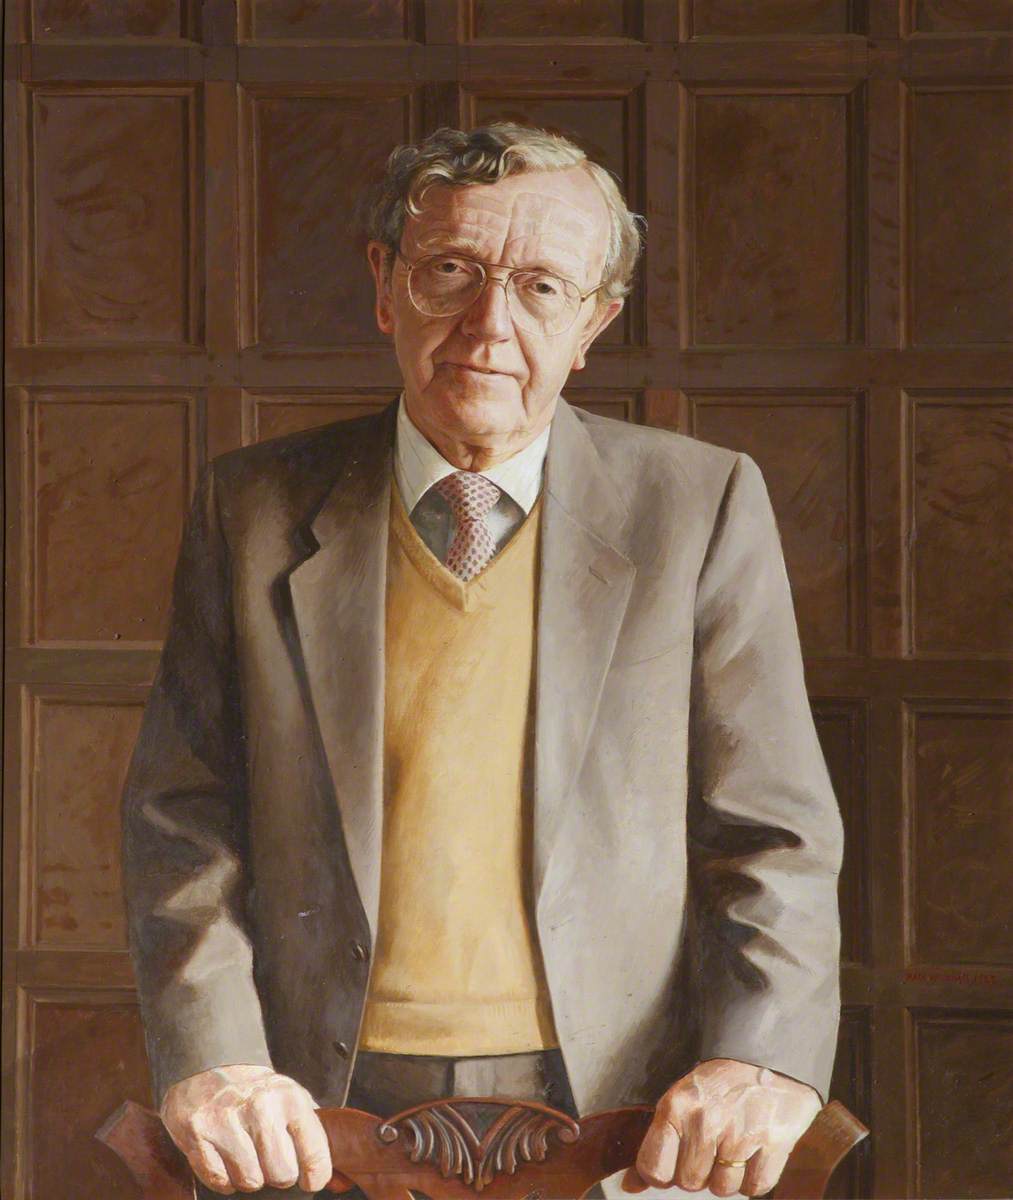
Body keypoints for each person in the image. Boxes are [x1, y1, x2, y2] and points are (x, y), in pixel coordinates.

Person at [121, 123, 843, 1200]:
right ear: (385, 286)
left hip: (626, 1111)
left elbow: (774, 834)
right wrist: (213, 1057)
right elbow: (182, 821)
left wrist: (760, 1058)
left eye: (541, 287)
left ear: (594, 322)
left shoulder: (696, 507)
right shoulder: (253, 509)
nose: (488, 325)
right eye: (450, 271)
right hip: (310, 1108)